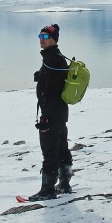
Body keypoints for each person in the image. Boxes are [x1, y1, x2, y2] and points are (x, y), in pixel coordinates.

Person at [28, 24, 74, 201]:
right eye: (40, 36)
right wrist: (40, 76)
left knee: (49, 151)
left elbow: (52, 92)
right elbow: (53, 84)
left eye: (46, 37)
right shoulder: (53, 58)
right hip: (60, 114)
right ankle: (64, 184)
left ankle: (47, 190)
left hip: (52, 115)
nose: (41, 39)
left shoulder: (54, 59)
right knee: (61, 148)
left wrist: (45, 117)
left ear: (54, 40)